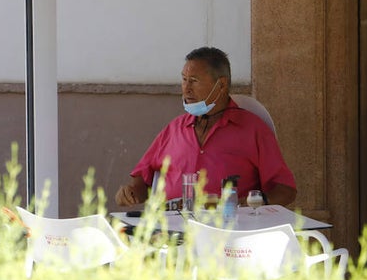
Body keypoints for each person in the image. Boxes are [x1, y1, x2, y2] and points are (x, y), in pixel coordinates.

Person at [114, 46, 297, 208]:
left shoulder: (252, 129)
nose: (186, 89)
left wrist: (247, 205)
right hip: (171, 231)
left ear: (222, 85)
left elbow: (285, 190)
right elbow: (143, 179)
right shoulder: (174, 129)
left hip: (229, 232)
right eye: (184, 79)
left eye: (194, 80)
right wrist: (131, 193)